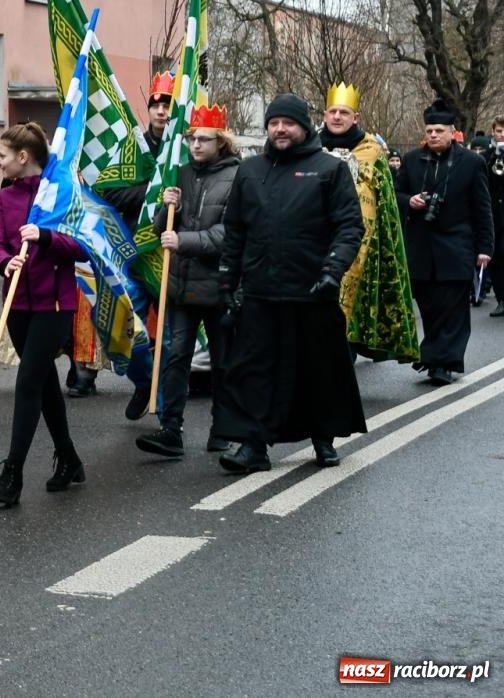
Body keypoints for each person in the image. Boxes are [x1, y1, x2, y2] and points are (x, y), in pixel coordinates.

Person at [215, 93, 366, 473]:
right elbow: (234, 230)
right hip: (261, 291)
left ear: (303, 127)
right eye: (274, 123)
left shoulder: (329, 169)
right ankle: (253, 446)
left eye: (288, 123)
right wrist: (227, 282)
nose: (280, 129)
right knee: (255, 371)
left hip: (312, 291)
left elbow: (350, 226)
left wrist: (332, 271)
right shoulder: (250, 171)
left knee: (318, 370)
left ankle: (323, 439)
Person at [0, 122, 89, 506]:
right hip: (18, 305)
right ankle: (70, 459)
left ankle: (12, 473)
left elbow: (81, 248)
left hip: (55, 305)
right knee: (44, 385)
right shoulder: (5, 198)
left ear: (23, 157)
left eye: (3, 156)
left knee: (27, 383)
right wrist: (4, 263)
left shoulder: (60, 192)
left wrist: (44, 237)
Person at [134, 105, 239, 458]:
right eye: (192, 138)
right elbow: (163, 227)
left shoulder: (237, 177)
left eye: (203, 139)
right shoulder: (179, 173)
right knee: (176, 355)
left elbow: (230, 233)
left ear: (220, 142)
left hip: (218, 286)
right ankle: (171, 428)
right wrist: (166, 207)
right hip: (182, 285)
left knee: (223, 359)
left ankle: (222, 427)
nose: (195, 144)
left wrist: (185, 242)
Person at [77, 71, 175, 406]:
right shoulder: (132, 148)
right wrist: (153, 192)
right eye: (156, 104)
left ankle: (165, 415)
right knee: (123, 328)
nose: (161, 111)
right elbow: (108, 194)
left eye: (168, 104)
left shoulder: (184, 153)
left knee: (171, 340)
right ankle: (144, 383)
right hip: (131, 254)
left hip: (169, 257)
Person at [317, 84, 419, 363]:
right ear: (325, 115)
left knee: (349, 310)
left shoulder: (372, 151)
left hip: (361, 245)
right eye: (333, 112)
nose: (338, 117)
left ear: (356, 117)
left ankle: (342, 373)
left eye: (344, 112)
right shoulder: (311, 148)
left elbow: (385, 203)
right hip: (315, 240)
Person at [396, 100, 495, 385]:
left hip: (457, 246)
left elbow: (482, 207)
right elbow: (396, 193)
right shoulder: (412, 160)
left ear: (452, 132)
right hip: (421, 247)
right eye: (429, 130)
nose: (433, 135)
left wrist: (485, 248)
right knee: (428, 305)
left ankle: (442, 361)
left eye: (439, 130)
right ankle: (434, 355)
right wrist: (410, 202)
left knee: (452, 307)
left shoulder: (472, 162)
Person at [484, 117, 504, 317]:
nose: (502, 134)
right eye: (499, 130)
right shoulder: (489, 156)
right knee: (496, 257)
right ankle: (501, 299)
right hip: (495, 216)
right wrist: (494, 157)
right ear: (493, 132)